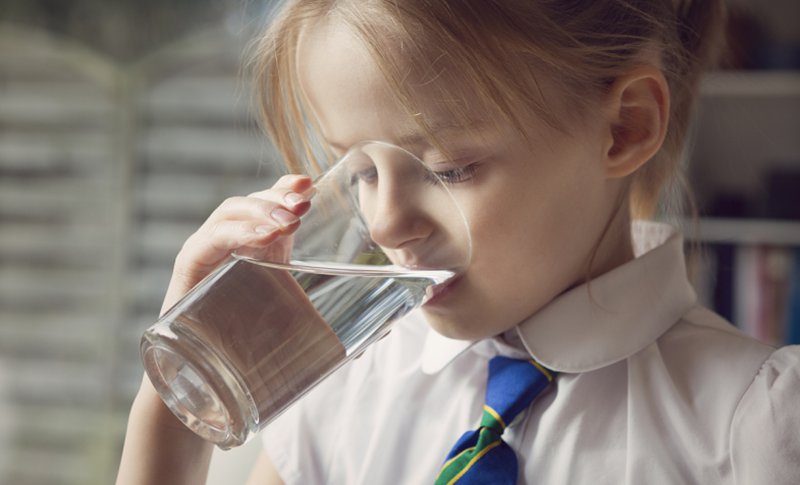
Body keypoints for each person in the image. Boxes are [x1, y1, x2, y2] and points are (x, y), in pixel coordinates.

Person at [116, 1, 800, 484]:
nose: (382, 222)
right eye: (357, 170)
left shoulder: (758, 429)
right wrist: (180, 404)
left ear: (624, 128)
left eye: (449, 169)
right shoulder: (347, 394)